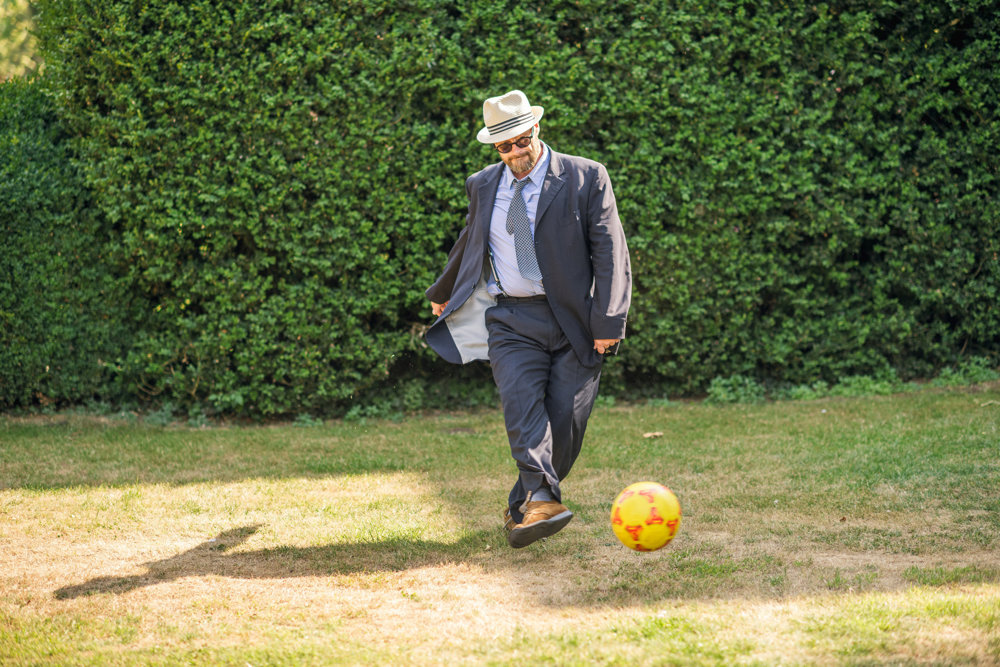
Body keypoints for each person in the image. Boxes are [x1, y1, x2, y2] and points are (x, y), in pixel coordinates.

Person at [425, 90, 632, 548]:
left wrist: (608, 324)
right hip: (512, 319)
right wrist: (443, 292)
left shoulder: (585, 177)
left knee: (565, 425)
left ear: (536, 129)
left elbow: (611, 252)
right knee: (521, 407)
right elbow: (470, 238)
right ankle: (541, 497)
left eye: (521, 141)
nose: (516, 153)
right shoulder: (482, 184)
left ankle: (525, 503)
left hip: (574, 320)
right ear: (493, 148)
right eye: (505, 147)